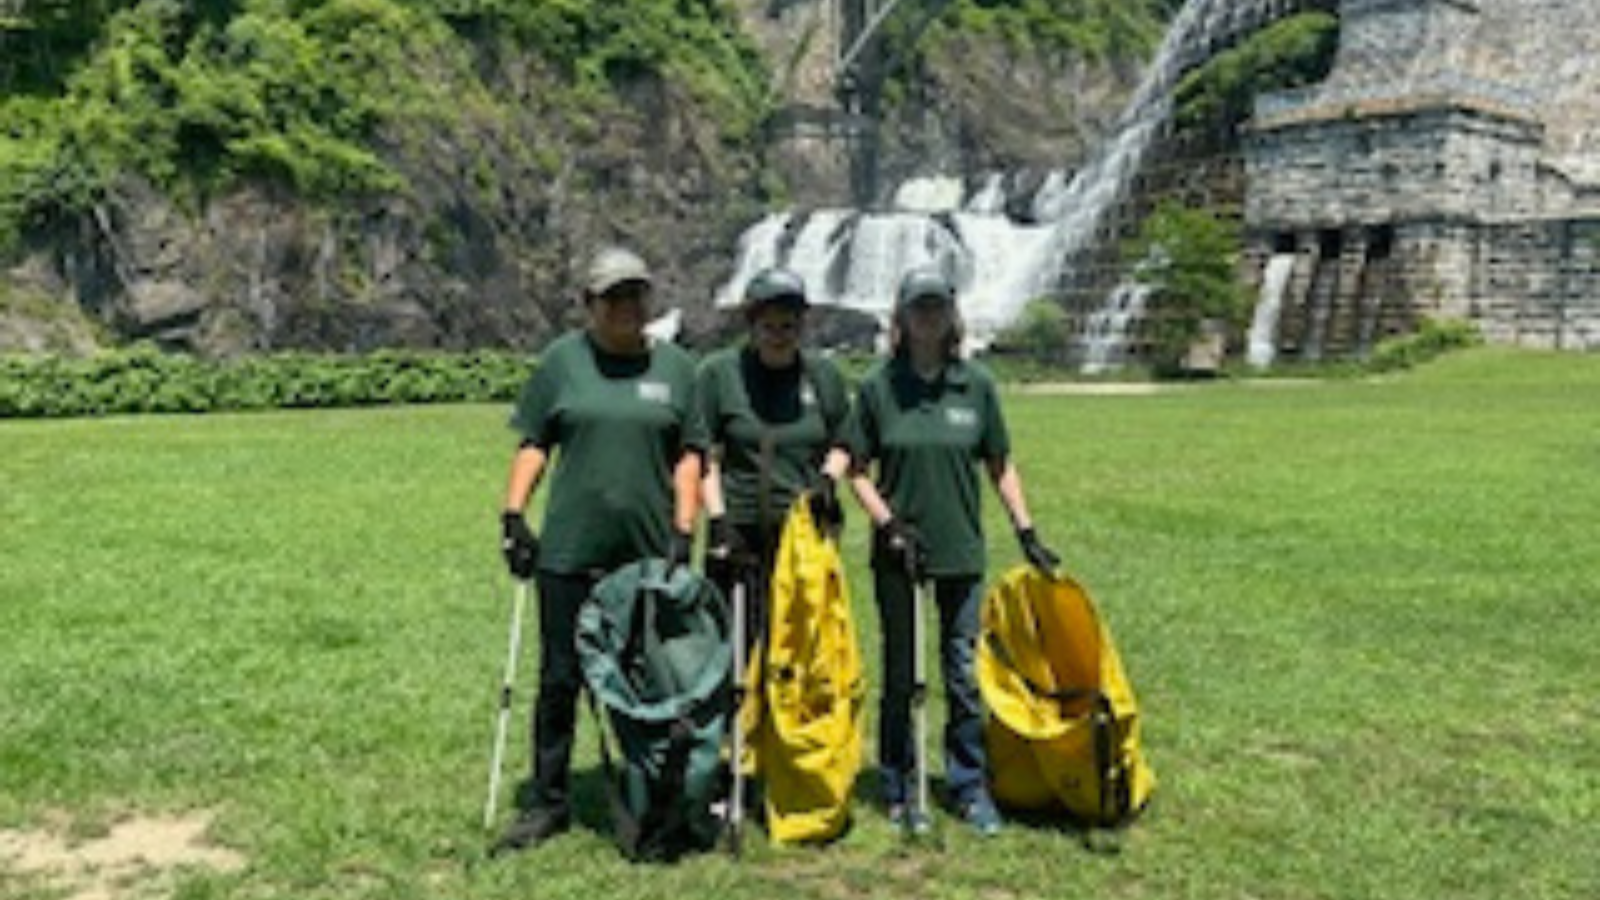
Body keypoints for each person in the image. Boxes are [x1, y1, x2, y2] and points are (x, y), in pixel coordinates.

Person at [496, 245, 707, 851]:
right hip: (569, 550)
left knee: (645, 678)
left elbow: (690, 453)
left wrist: (683, 527)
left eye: (635, 294)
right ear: (589, 305)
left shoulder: (677, 370)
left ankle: (650, 792)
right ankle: (548, 801)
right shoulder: (562, 363)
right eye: (613, 297)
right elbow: (535, 442)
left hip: (646, 555)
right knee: (560, 679)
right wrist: (513, 515)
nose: (626, 307)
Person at [844, 264, 1061, 838]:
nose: (928, 318)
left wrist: (1027, 531)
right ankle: (898, 781)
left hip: (960, 549)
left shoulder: (977, 385)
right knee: (902, 671)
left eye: (937, 308)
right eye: (918, 308)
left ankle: (968, 784)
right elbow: (856, 469)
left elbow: (999, 464)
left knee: (963, 671)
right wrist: (888, 523)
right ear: (901, 318)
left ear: (951, 317)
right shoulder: (878, 388)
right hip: (899, 551)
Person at [697, 266, 851, 649]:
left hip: (802, 532)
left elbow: (846, 439)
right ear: (752, 325)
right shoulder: (718, 375)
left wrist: (828, 481)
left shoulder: (823, 376)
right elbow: (703, 454)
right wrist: (718, 521)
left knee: (800, 648)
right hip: (739, 531)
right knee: (733, 650)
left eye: (789, 326)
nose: (779, 336)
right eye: (769, 326)